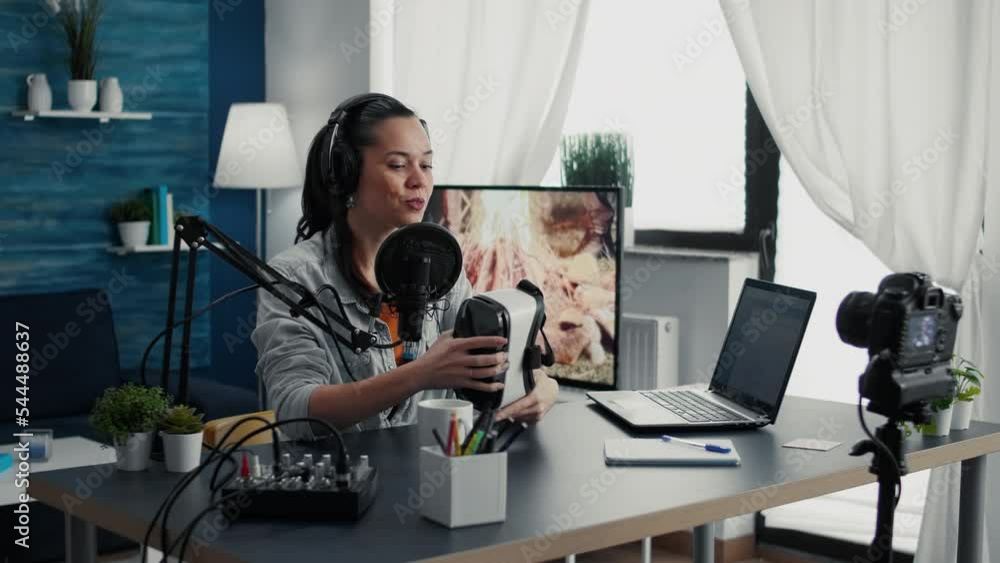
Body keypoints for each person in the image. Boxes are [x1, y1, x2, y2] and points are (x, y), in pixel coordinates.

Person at [251, 93, 559, 439]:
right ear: (346, 175)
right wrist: (420, 374)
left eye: (426, 165)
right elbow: (296, 407)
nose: (419, 180)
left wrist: (542, 385)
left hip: (431, 473)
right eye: (398, 165)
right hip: (345, 481)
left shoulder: (441, 260)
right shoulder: (293, 278)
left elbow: (483, 360)